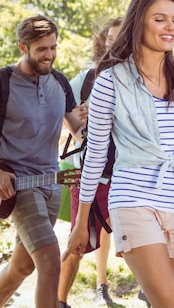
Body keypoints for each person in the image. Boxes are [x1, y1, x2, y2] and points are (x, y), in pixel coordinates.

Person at [63, 0, 174, 308]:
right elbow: (94, 154)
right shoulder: (110, 81)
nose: (171, 27)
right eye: (160, 19)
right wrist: (82, 224)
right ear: (139, 23)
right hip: (133, 201)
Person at [0, 15, 87, 308]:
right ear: (23, 47)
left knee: (23, 267)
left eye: (53, 48)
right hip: (18, 185)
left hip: (52, 183)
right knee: (50, 261)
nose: (49, 55)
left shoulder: (60, 81)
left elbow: (78, 131)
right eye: (41, 49)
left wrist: (91, 121)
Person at [58, 18, 122, 308]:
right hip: (87, 170)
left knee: (124, 233)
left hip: (124, 171)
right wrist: (80, 122)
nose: (116, 46)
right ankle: (58, 301)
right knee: (78, 238)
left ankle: (104, 284)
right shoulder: (85, 80)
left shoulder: (141, 79)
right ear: (103, 43)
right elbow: (67, 115)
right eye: (111, 40)